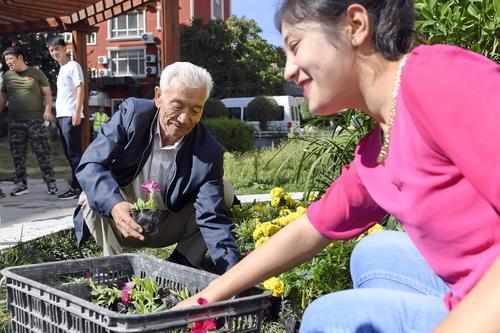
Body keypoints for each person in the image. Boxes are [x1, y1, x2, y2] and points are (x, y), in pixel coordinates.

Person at [175, 1, 500, 332]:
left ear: (355, 26)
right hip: (470, 289)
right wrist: (209, 297)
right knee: (374, 252)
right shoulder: (375, 152)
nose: (287, 70)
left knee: (326, 318)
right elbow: (309, 231)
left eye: (295, 46)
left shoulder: (438, 78)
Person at [73, 62, 241, 274]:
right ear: (158, 96)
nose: (184, 118)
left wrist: (234, 273)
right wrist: (114, 204)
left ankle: (182, 267)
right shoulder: (133, 115)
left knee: (224, 193)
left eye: (195, 110)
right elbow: (91, 164)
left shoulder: (208, 150)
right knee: (90, 196)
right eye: (177, 105)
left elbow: (211, 217)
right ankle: (114, 271)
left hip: (168, 223)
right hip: (123, 220)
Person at [0, 46, 58, 196]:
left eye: (10, 58)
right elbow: (3, 97)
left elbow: (47, 93)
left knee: (42, 152)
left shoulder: (36, 73)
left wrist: (47, 110)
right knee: (18, 154)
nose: (8, 62)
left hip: (36, 121)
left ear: (20, 57)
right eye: (6, 59)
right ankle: (21, 184)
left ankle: (50, 182)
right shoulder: (7, 76)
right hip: (14, 122)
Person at [47, 36, 84, 200]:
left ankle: (81, 187)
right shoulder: (61, 69)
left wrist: (77, 112)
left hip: (71, 115)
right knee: (69, 153)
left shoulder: (73, 66)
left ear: (65, 48)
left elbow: (80, 88)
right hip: (62, 116)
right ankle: (76, 185)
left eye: (57, 49)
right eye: (51, 50)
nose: (54, 52)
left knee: (75, 153)